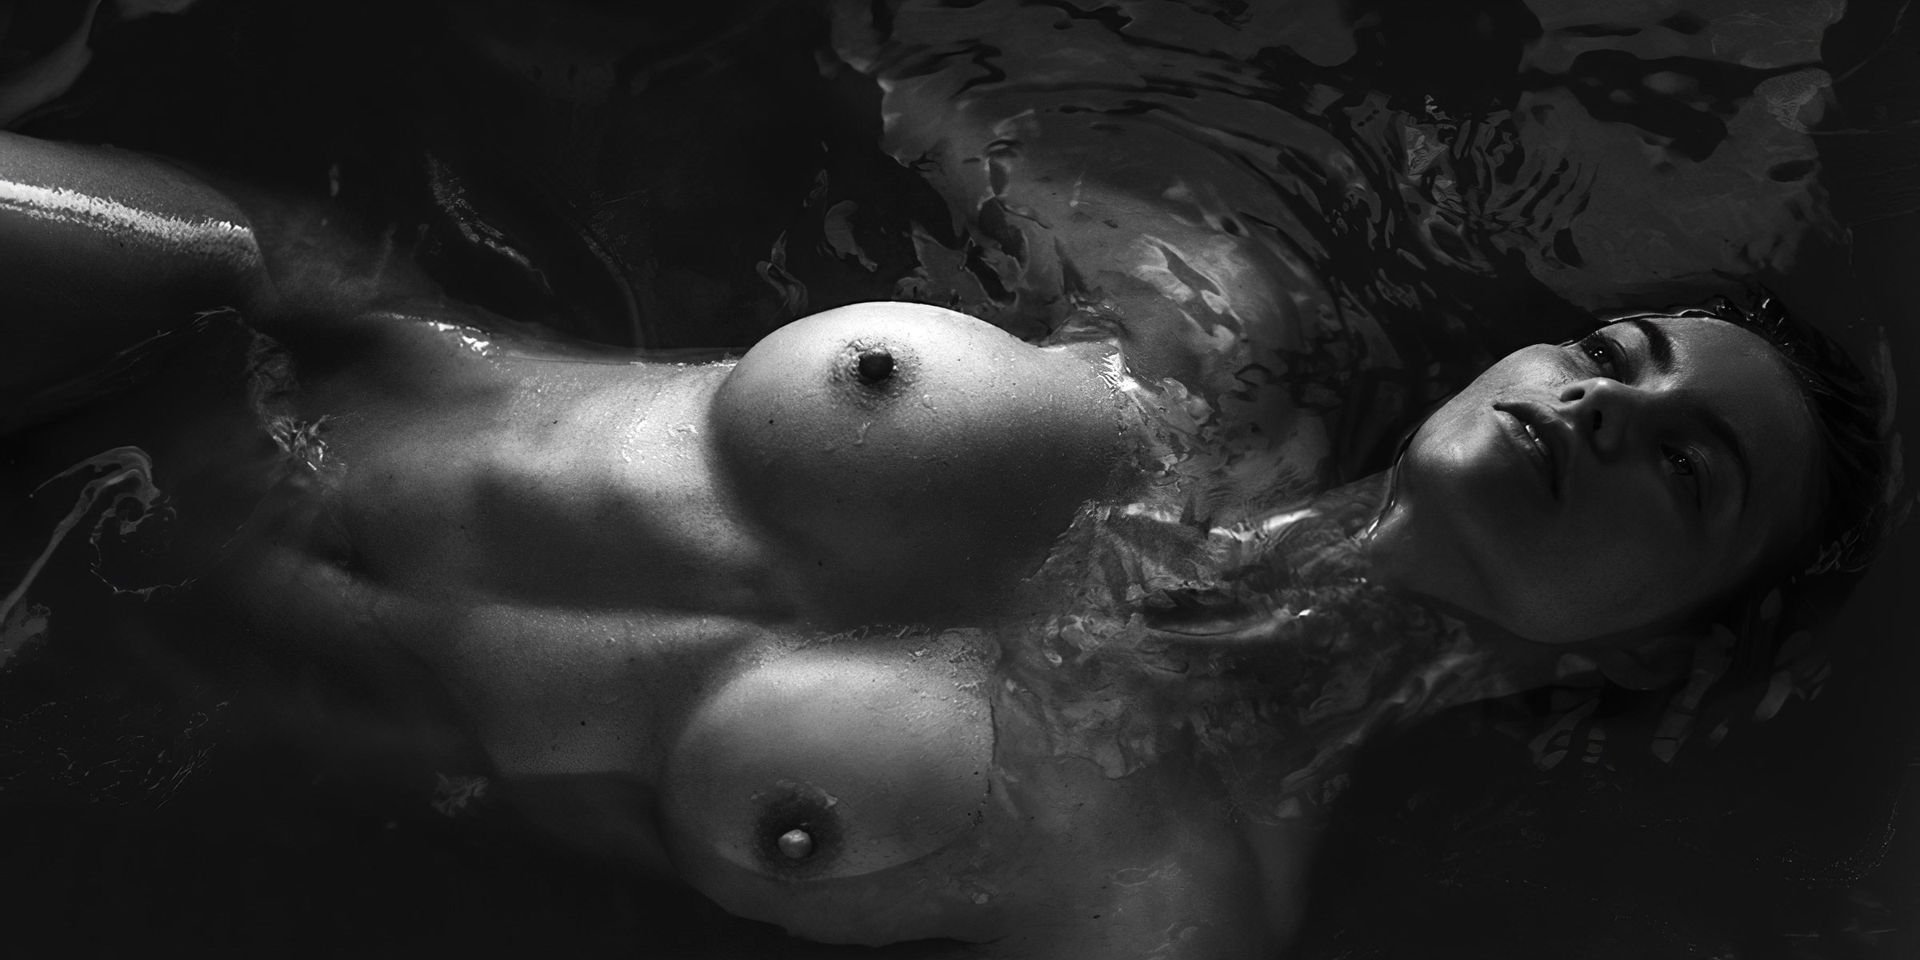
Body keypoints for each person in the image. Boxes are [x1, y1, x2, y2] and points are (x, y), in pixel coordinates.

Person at [0, 108, 1888, 960]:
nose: (1607, 407)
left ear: (1661, 644)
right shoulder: (1195, 339)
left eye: (1689, 470)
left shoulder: (1161, 907)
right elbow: (886, 75)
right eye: (1617, 356)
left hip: (115, 657)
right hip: (230, 316)